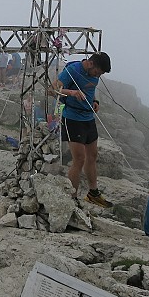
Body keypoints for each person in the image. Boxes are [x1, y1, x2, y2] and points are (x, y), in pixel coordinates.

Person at [49, 52, 113, 206]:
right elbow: (52, 89)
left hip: (88, 117)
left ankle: (93, 193)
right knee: (79, 159)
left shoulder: (95, 75)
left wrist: (95, 100)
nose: (97, 76)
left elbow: (91, 89)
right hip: (72, 118)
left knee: (92, 155)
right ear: (91, 64)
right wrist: (72, 93)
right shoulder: (73, 70)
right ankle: (72, 197)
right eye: (97, 72)